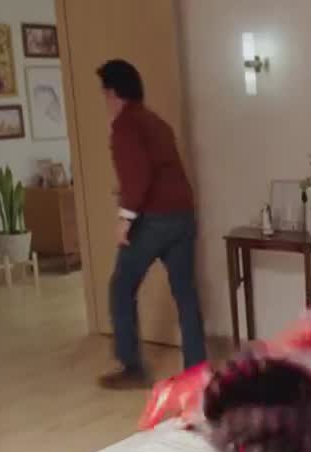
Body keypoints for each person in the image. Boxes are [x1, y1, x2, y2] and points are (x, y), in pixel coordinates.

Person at [96, 59, 206, 389]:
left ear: (113, 92)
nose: (104, 100)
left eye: (104, 93)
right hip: (183, 215)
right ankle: (197, 370)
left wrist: (125, 218)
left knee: (121, 287)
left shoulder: (126, 125)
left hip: (154, 219)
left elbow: (138, 176)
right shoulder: (156, 122)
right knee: (185, 293)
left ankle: (132, 368)